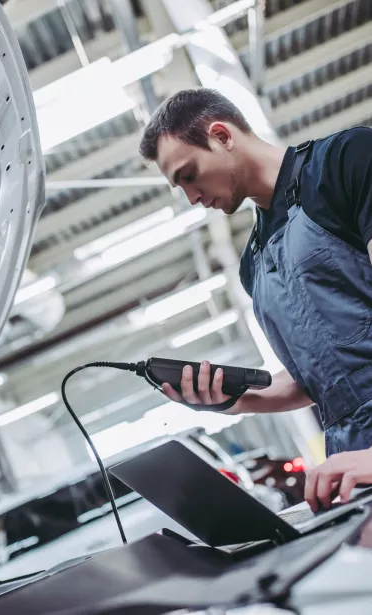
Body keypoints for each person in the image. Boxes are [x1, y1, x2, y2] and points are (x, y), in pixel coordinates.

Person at [138, 88, 372, 511]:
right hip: (349, 461)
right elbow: (316, 379)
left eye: (189, 175)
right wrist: (229, 399)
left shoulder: (345, 162)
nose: (191, 198)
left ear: (222, 136)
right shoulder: (254, 264)